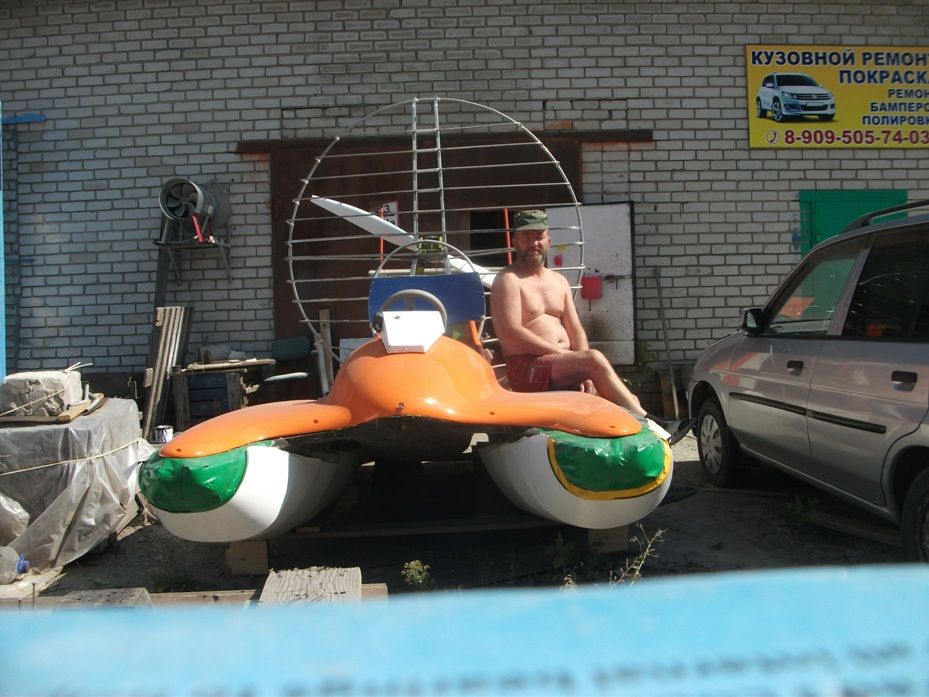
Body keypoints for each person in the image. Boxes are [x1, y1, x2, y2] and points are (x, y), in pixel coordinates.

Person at [489, 209, 693, 445]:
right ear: (515, 242)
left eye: (539, 236)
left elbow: (575, 329)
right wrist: (575, 359)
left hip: (560, 364)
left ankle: (634, 440)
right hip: (527, 368)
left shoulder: (559, 281)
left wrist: (581, 366)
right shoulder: (508, 280)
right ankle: (654, 424)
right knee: (594, 360)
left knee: (624, 396)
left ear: (548, 241)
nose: (534, 243)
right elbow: (512, 333)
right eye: (527, 237)